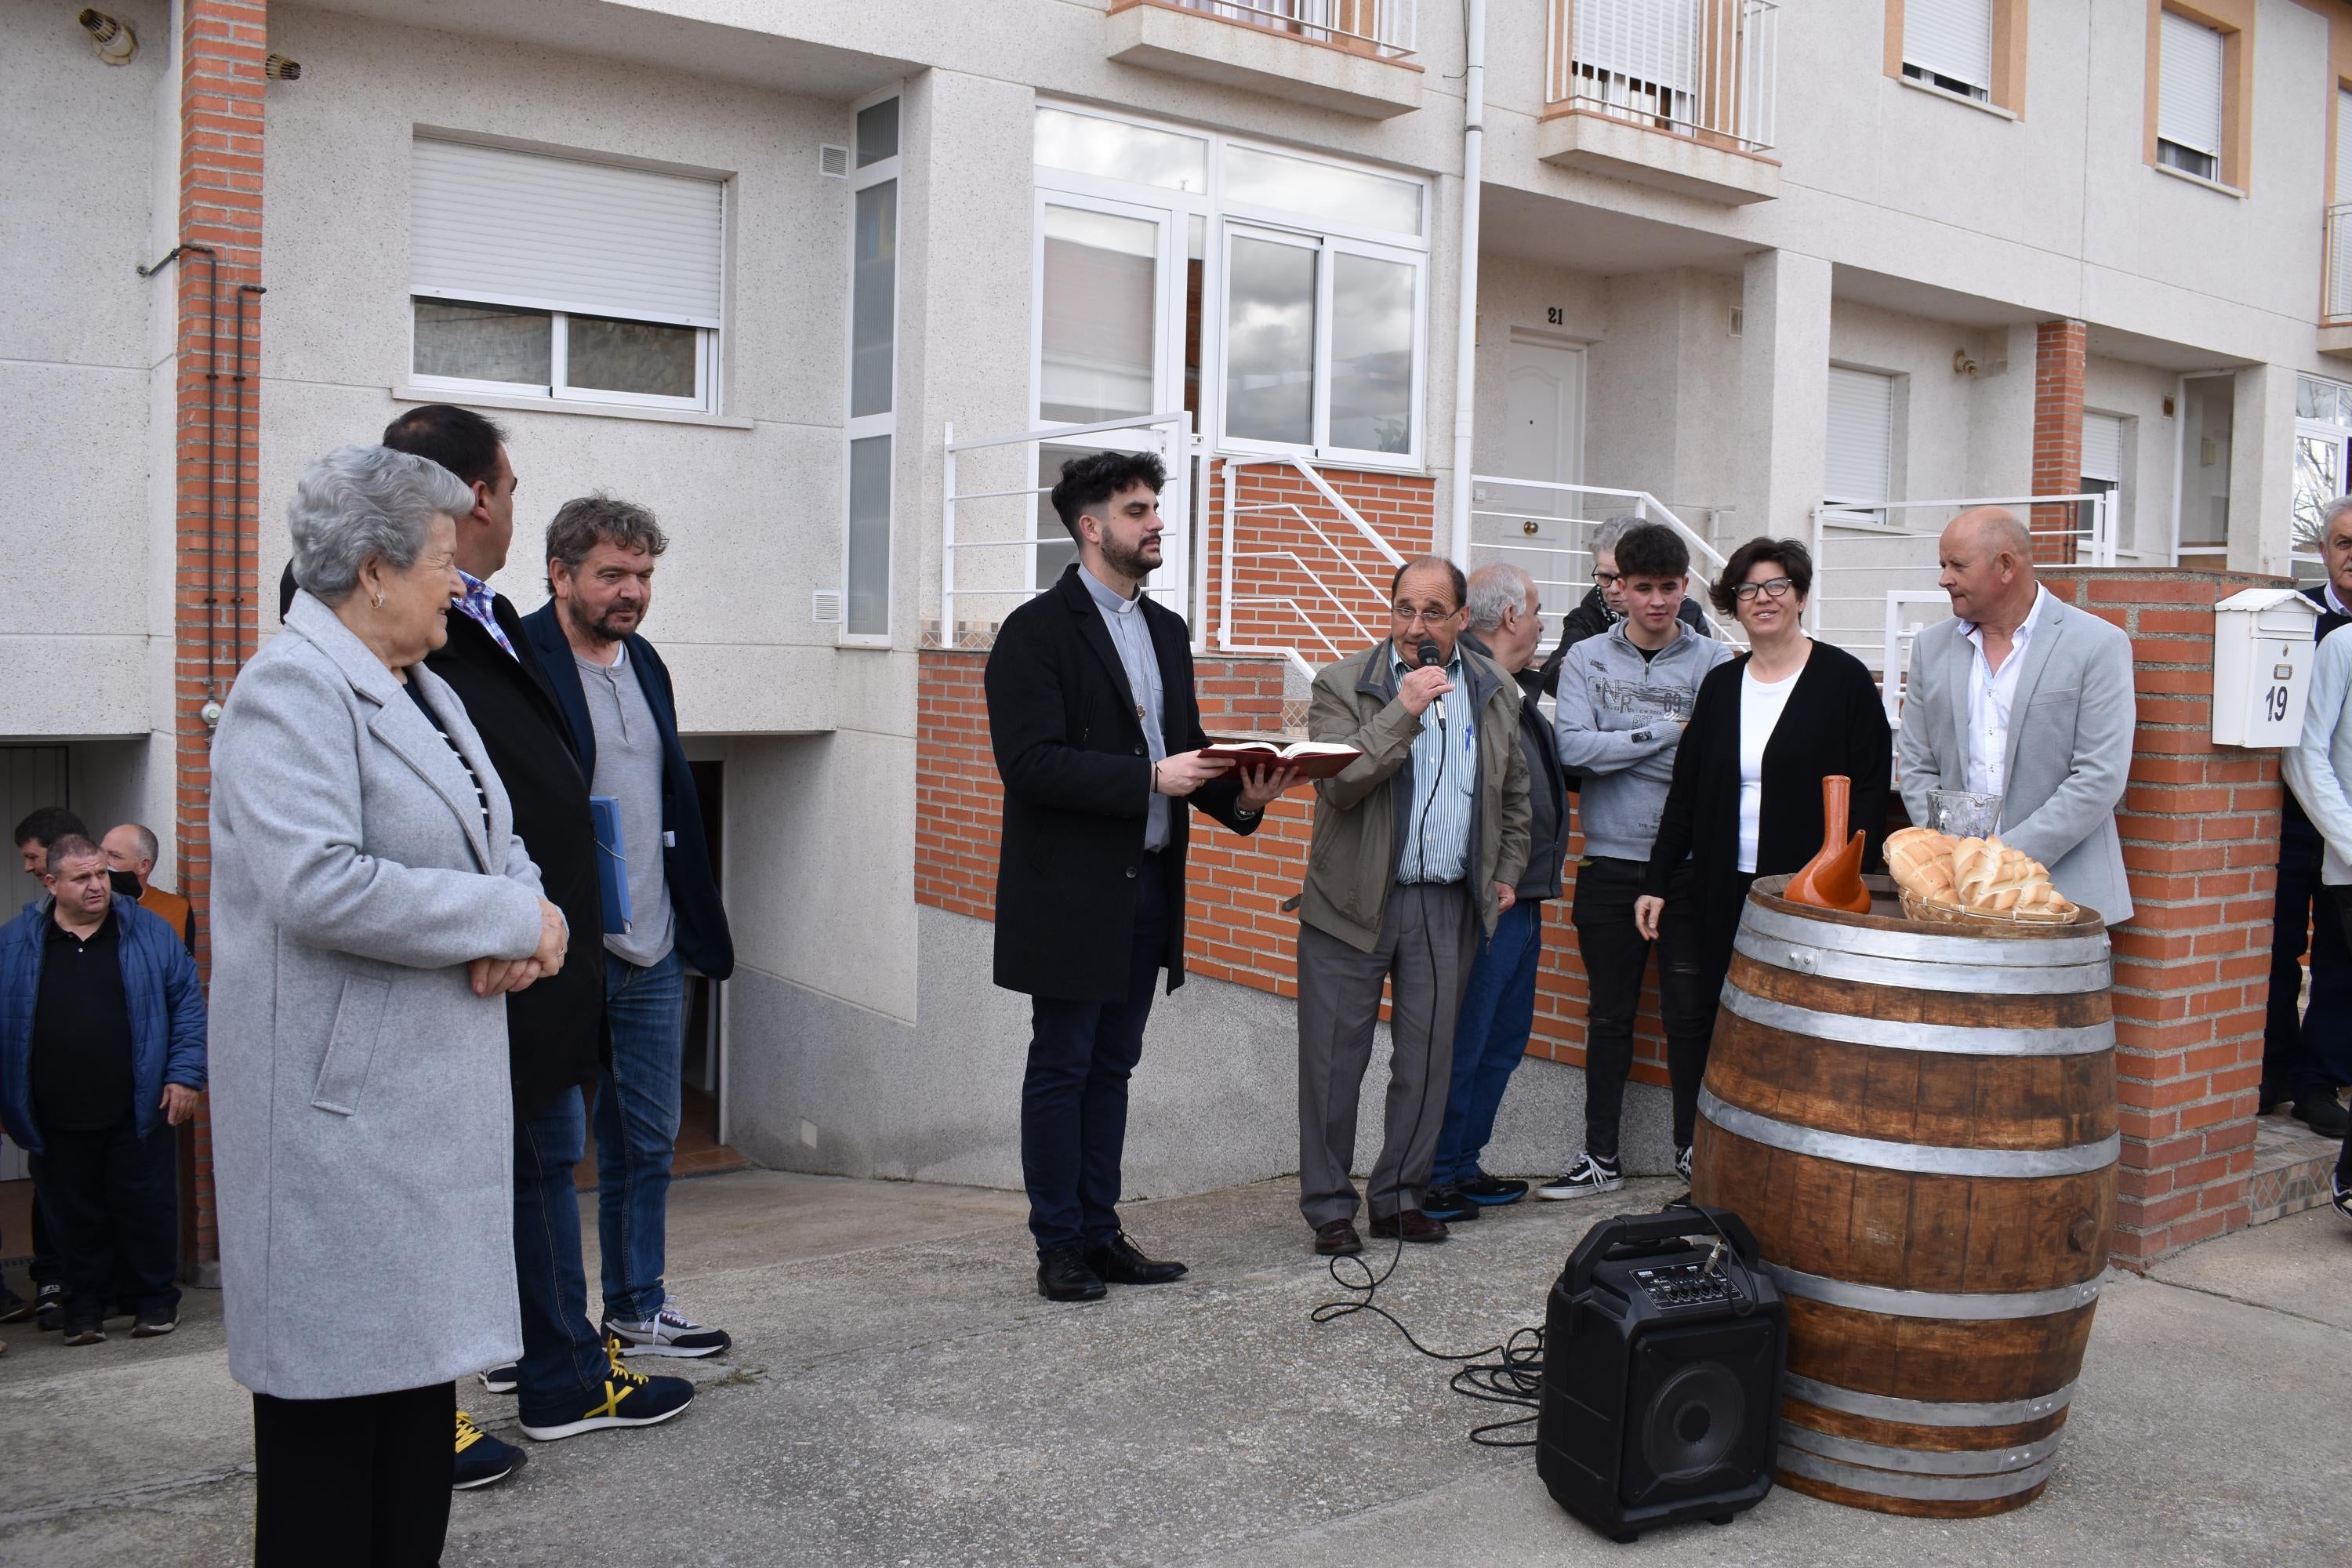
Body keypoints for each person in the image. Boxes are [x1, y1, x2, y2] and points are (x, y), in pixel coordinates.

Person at [209, 445, 575, 1566]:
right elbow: (318, 883)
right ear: (371, 570)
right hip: (339, 1137)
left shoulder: (426, 686)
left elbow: (499, 839)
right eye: (437, 562)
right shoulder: (290, 689)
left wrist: (525, 916)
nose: (457, 583)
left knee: (413, 1440)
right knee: (331, 1465)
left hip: (415, 1131)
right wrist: (507, 920)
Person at [384, 407, 688, 1480]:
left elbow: (497, 787)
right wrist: (498, 917)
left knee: (543, 1164)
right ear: (478, 496)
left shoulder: (470, 616)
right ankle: (430, 1405)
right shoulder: (380, 619)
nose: (509, 506)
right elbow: (401, 815)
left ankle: (557, 1373)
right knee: (450, 1185)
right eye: (509, 488)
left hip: (537, 948)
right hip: (470, 962)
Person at [984, 451, 1293, 1301]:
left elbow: (1184, 747)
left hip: (1150, 884)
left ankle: (1100, 1231)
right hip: (1071, 892)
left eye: (1155, 506)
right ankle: (1059, 1245)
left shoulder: (1165, 630)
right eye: (1137, 510)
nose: (1157, 522)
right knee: (1064, 1064)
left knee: (1114, 1066)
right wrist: (1149, 779)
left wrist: (1244, 797)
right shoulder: (1034, 631)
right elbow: (1030, 765)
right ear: (1091, 528)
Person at [523, 496, 735, 1355]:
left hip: (653, 947)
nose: (633, 592)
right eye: (612, 574)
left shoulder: (646, 661)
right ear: (560, 573)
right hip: (557, 952)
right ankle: (528, 1335)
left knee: (645, 1142)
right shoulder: (519, 659)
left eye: (643, 575)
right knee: (540, 1153)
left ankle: (635, 1306)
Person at [1296, 555, 1531, 1255]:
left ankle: (1400, 1198)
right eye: (1404, 609)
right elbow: (1340, 784)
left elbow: (1514, 793)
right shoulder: (1342, 683)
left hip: (1444, 903)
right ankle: (1329, 1208)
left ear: (1462, 619)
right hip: (1351, 903)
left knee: (1428, 1061)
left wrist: (1505, 868)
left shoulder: (1494, 688)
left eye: (1433, 612)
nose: (1415, 626)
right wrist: (1404, 709)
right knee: (1334, 1063)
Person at [1636, 538, 1892, 1178]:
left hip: (1803, 897)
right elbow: (1686, 792)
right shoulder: (1723, 684)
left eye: (1777, 586)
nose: (1763, 599)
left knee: (1793, 1025)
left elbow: (1870, 793)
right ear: (1734, 603)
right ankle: (1697, 1154)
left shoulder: (1844, 681)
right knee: (1699, 1018)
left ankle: (1783, 1165)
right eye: (1749, 590)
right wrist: (1657, 880)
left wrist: (1842, 881)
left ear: (1800, 597)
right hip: (1718, 884)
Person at [1538, 524, 1733, 1199]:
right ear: (1618, 588)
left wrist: (1619, 745)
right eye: (1643, 587)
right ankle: (1601, 1159)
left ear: (1686, 586)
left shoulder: (1715, 661)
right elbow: (1573, 752)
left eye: (1669, 587)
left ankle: (1693, 1156)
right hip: (1610, 862)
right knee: (1608, 1016)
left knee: (1690, 1016)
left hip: (1686, 865)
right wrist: (1667, 733)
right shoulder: (1587, 658)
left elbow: (1713, 762)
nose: (1656, 601)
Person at [0, 835, 205, 1343]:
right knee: (72, 1217)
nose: (96, 886)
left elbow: (187, 1007)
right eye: (82, 878)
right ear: (51, 883)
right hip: (53, 1113)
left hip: (139, 1108)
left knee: (145, 1210)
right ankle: (84, 1309)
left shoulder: (150, 932)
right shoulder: (15, 942)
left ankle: (154, 1301)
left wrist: (184, 1076)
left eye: (100, 874)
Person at [1896, 506, 2136, 925]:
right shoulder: (1930, 648)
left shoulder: (2096, 644)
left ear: (2006, 566)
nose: (1944, 578)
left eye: (1957, 565)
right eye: (1943, 565)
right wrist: (1953, 858)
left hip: (2061, 897)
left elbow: (2100, 776)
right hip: (1952, 897)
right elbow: (1916, 765)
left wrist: (1998, 864)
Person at [1422, 564, 1566, 1223]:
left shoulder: (1509, 685)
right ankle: (1435, 1173)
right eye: (1535, 611)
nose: (1540, 624)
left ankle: (1462, 1164)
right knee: (1468, 1041)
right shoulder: (1468, 684)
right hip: (1488, 901)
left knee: (1501, 1042)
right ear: (1510, 617)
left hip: (1523, 897)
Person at [2265, 496, 2352, 1139]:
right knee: (2279, 949)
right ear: (2323, 550)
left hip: (2343, 829)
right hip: (2295, 821)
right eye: (2344, 543)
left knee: (2341, 959)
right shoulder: (2298, 620)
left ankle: (2318, 1080)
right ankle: (2272, 1073)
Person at [2, 805, 86, 1327]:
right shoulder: (24, 931)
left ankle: (102, 1289)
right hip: (44, 1095)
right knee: (51, 1185)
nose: (28, 867)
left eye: (32, 857)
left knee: (102, 1193)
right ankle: (51, 1281)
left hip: (108, 1096)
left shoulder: (134, 922)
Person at [1534, 515, 1711, 699]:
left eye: (1620, 577)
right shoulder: (1587, 615)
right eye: (1605, 576)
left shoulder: (1685, 613)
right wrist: (1569, 671)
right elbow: (1552, 674)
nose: (1613, 589)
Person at [100, 824, 194, 953]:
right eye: (100, 853)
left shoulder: (176, 909)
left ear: (143, 866)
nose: (102, 861)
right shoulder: (90, 902)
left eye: (115, 856)